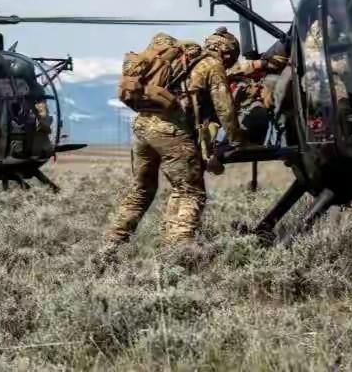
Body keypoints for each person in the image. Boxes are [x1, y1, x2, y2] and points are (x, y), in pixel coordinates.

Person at [103, 27, 245, 252]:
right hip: (170, 132)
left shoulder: (178, 58)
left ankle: (110, 246)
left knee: (142, 191)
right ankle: (179, 251)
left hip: (142, 126)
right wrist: (236, 139)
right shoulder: (211, 65)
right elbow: (224, 109)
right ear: (226, 53)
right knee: (191, 192)